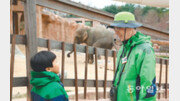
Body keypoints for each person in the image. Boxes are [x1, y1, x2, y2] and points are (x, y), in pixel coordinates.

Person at [108, 12, 157, 101]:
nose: (116, 32)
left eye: (119, 28)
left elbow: (148, 83)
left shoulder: (145, 50)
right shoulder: (123, 48)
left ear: (130, 28)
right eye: (115, 28)